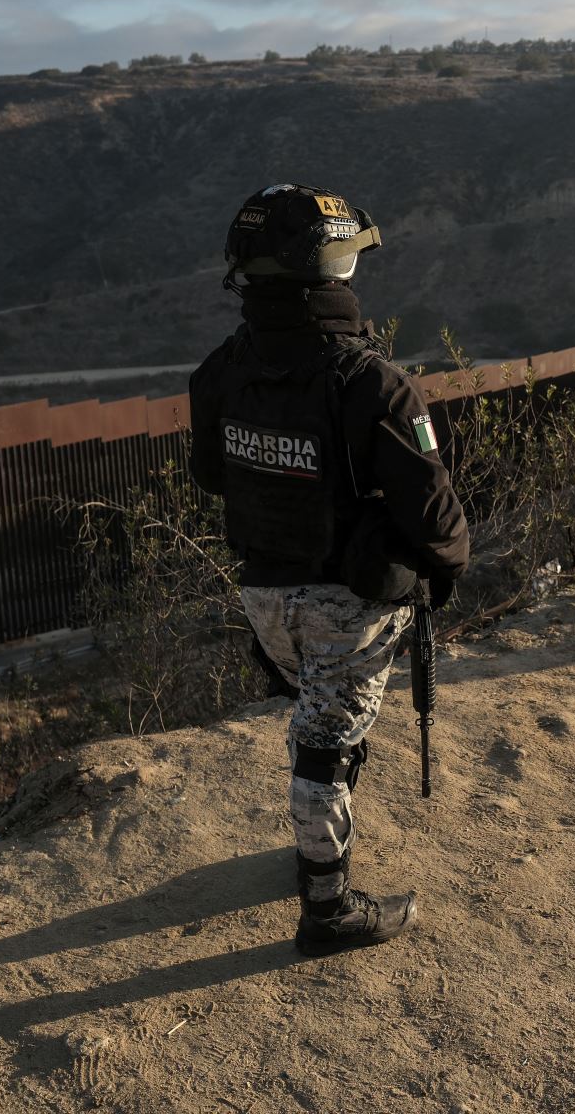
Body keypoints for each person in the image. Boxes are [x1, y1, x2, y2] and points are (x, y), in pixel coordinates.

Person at [188, 183, 469, 956]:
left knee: (318, 723)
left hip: (262, 597)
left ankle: (318, 847)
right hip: (349, 606)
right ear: (335, 271)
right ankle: (327, 906)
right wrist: (439, 574)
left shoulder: (219, 371)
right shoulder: (372, 383)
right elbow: (437, 516)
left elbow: (212, 476)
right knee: (327, 742)